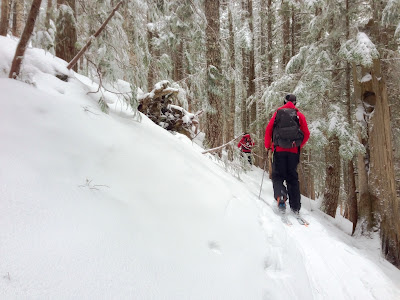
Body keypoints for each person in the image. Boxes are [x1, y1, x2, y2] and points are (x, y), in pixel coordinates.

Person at [264, 94, 310, 214]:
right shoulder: (299, 115)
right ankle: (295, 206)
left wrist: (268, 146)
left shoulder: (278, 114)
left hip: (279, 150)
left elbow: (269, 130)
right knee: (292, 178)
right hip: (293, 152)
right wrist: (298, 145)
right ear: (295, 103)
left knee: (277, 176)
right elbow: (306, 133)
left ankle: (281, 196)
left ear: (284, 101)